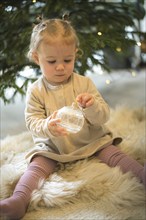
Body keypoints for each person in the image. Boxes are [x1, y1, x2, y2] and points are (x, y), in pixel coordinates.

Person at [0, 15, 145, 220]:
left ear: (75, 54)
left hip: (90, 141)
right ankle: (19, 200)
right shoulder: (36, 91)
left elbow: (103, 117)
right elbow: (32, 121)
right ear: (36, 58)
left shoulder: (84, 83)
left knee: (115, 154)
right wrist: (48, 126)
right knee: (36, 166)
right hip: (54, 147)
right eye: (51, 61)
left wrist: (91, 106)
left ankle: (142, 174)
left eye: (67, 60)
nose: (60, 66)